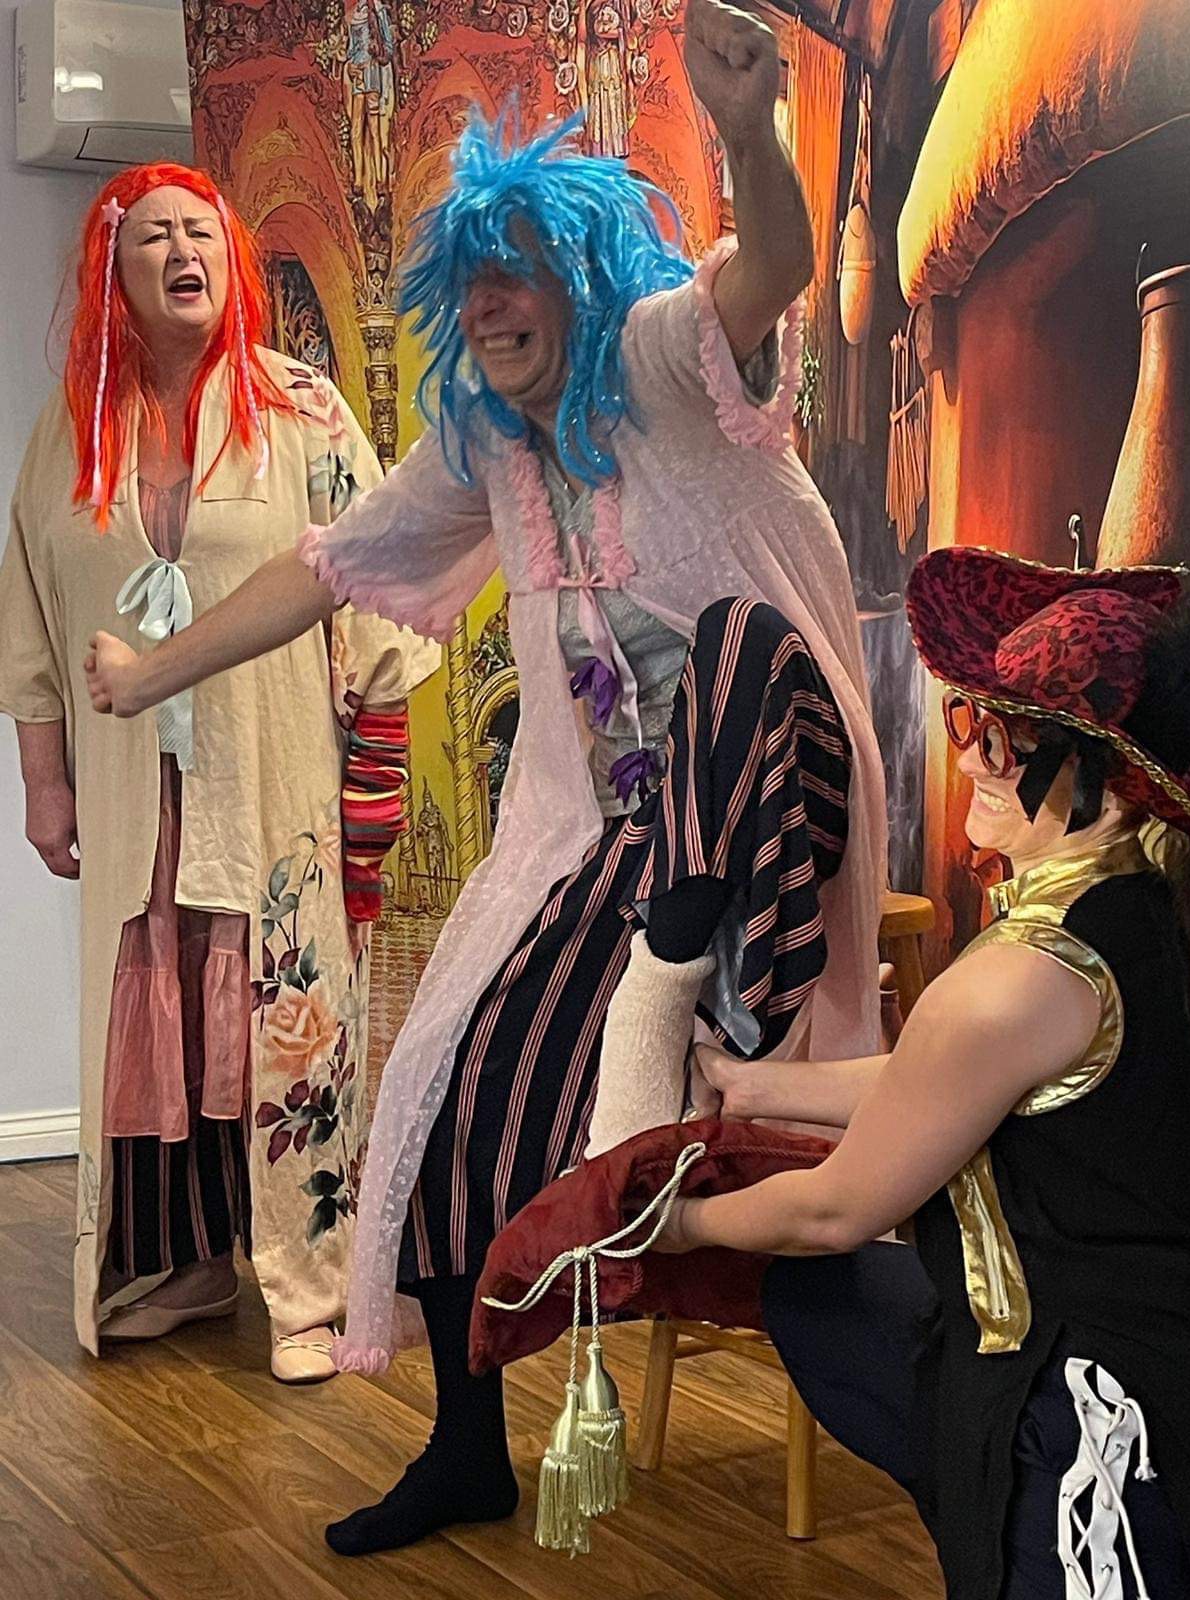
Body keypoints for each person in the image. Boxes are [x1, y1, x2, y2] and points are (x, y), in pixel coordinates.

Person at [82, 0, 887, 1552]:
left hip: (771, 816)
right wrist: (153, 670)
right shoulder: (487, 447)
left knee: (737, 644)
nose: (497, 301)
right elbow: (326, 566)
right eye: (475, 280)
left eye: (523, 269)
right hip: (619, 849)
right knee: (449, 1077)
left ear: (581, 278)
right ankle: (466, 1449)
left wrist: (751, 130)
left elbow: (769, 268)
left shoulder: (658, 357)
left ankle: (689, 988)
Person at [662, 547, 1190, 1600]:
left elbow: (834, 1208)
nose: (972, 761)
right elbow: (940, 1082)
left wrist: (671, 1228)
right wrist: (752, 1088)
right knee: (819, 1300)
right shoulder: (1141, 910)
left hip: (1113, 1439)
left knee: (820, 1270)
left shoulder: (1023, 977)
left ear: (1109, 787)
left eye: (1004, 741)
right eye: (974, 724)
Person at [0, 162, 439, 1381]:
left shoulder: (302, 408)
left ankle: (310, 1291)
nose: (182, 252)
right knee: (160, 1024)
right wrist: (44, 781)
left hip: (274, 773)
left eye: (201, 232)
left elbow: (381, 588)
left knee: (282, 1015)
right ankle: (179, 1263)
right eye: (153, 237)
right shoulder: (74, 425)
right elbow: (30, 618)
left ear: (230, 260)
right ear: (113, 270)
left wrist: (374, 789)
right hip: (132, 792)